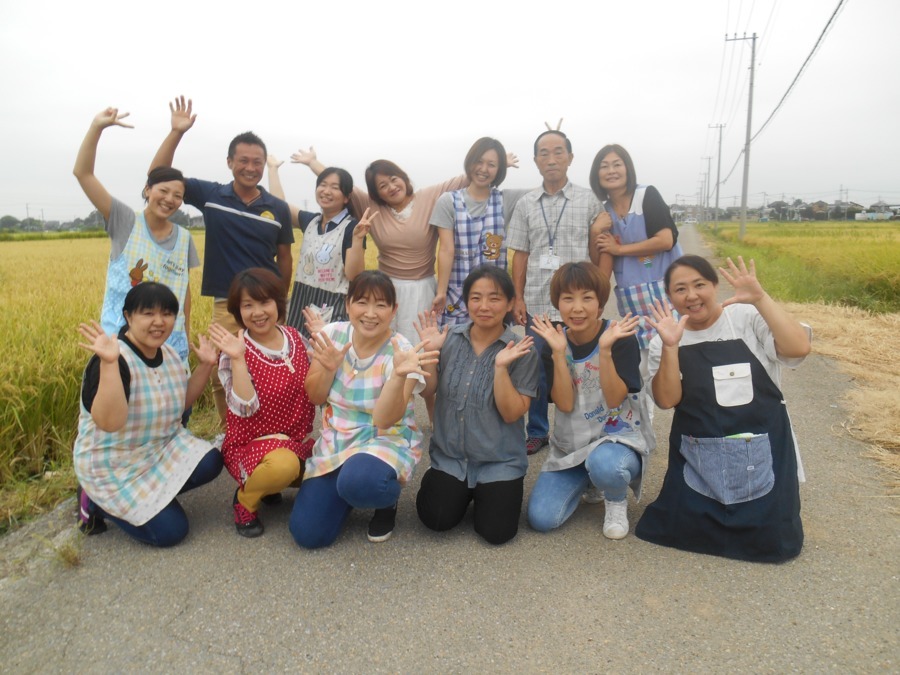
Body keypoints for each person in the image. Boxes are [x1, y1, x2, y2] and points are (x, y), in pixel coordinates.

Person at [635, 255, 811, 562]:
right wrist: (670, 347)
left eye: (699, 284)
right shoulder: (664, 340)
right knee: (671, 528)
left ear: (715, 285)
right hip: (697, 457)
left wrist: (760, 298)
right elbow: (666, 400)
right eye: (680, 289)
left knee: (774, 543)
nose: (691, 295)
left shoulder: (746, 317)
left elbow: (798, 349)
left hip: (762, 452)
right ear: (670, 297)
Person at [149, 97, 294, 427]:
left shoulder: (278, 208)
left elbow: (284, 258)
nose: (251, 167)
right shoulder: (211, 195)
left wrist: (279, 300)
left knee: (269, 369)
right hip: (225, 304)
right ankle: (233, 434)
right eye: (243, 160)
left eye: (257, 162)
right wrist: (176, 133)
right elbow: (158, 176)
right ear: (230, 162)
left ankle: (272, 432)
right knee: (220, 372)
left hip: (266, 302)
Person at [289, 271, 439, 548]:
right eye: (362, 302)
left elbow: (386, 418)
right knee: (308, 535)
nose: (370, 313)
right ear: (347, 305)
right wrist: (328, 369)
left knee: (359, 482)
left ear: (394, 311)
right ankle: (347, 491)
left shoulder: (401, 351)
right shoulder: (332, 335)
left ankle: (383, 499)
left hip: (383, 440)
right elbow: (314, 395)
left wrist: (397, 377)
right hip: (337, 442)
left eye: (381, 305)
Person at [73, 282, 223, 547]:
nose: (159, 322)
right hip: (115, 465)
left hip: (156, 451)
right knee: (172, 531)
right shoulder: (112, 359)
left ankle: (154, 499)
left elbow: (180, 402)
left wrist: (205, 366)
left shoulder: (168, 354)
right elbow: (110, 422)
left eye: (167, 314)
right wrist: (108, 363)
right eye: (148, 313)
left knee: (212, 461)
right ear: (128, 316)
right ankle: (95, 500)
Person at [415, 265, 539, 545]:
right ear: (466, 301)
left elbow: (511, 414)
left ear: (509, 303)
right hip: (451, 459)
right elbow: (429, 392)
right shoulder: (449, 339)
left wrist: (500, 368)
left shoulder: (522, 352)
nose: (484, 306)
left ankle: (485, 494)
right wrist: (429, 352)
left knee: (496, 533)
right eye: (475, 297)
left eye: (494, 298)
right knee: (435, 519)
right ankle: (461, 492)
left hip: (499, 461)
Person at [526, 263, 651, 539]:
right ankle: (589, 481)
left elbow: (616, 397)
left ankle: (615, 499)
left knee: (607, 465)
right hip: (572, 446)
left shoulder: (619, 338)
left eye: (587, 298)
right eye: (568, 298)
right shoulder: (553, 342)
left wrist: (604, 350)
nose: (577, 308)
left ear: (601, 302)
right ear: (557, 302)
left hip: (616, 441)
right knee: (541, 518)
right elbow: (565, 404)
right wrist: (559, 354)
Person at [73, 106, 199, 364]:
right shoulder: (125, 221)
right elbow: (83, 174)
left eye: (178, 196)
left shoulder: (185, 237)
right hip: (120, 347)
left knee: (175, 406)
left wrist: (184, 337)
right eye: (163, 191)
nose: (169, 200)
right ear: (147, 190)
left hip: (170, 347)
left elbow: (184, 292)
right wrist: (96, 127)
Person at [506, 130, 603, 454]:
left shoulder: (589, 201)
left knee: (582, 367)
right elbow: (520, 253)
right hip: (537, 302)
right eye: (544, 153)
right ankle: (538, 429)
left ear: (570, 158)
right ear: (535, 161)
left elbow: (598, 251)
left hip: (578, 306)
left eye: (558, 152)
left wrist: (597, 295)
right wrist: (517, 298)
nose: (551, 159)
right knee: (536, 367)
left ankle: (584, 426)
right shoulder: (526, 203)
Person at [208, 268, 317, 538]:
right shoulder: (235, 349)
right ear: (238, 310)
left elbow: (319, 389)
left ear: (278, 304)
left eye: (265, 302)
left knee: (332, 470)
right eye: (248, 305)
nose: (258, 312)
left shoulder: (295, 338)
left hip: (295, 444)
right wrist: (238, 359)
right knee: (284, 466)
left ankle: (268, 486)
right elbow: (245, 407)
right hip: (251, 447)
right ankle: (246, 501)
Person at [588, 144, 683, 386]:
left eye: (617, 164)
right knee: (642, 374)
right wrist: (595, 231)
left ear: (628, 169)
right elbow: (602, 265)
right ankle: (645, 422)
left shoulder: (646, 195)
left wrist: (619, 249)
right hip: (634, 301)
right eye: (604, 166)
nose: (611, 170)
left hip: (667, 295)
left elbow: (665, 239)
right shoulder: (604, 213)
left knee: (679, 365)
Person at [267, 158, 377, 336]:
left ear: (347, 197)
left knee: (325, 356)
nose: (326, 191)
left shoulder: (352, 228)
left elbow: (354, 275)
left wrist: (357, 239)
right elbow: (279, 206)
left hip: (333, 304)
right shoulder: (311, 221)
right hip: (302, 299)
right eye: (323, 185)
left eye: (335, 187)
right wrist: (272, 169)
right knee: (299, 354)